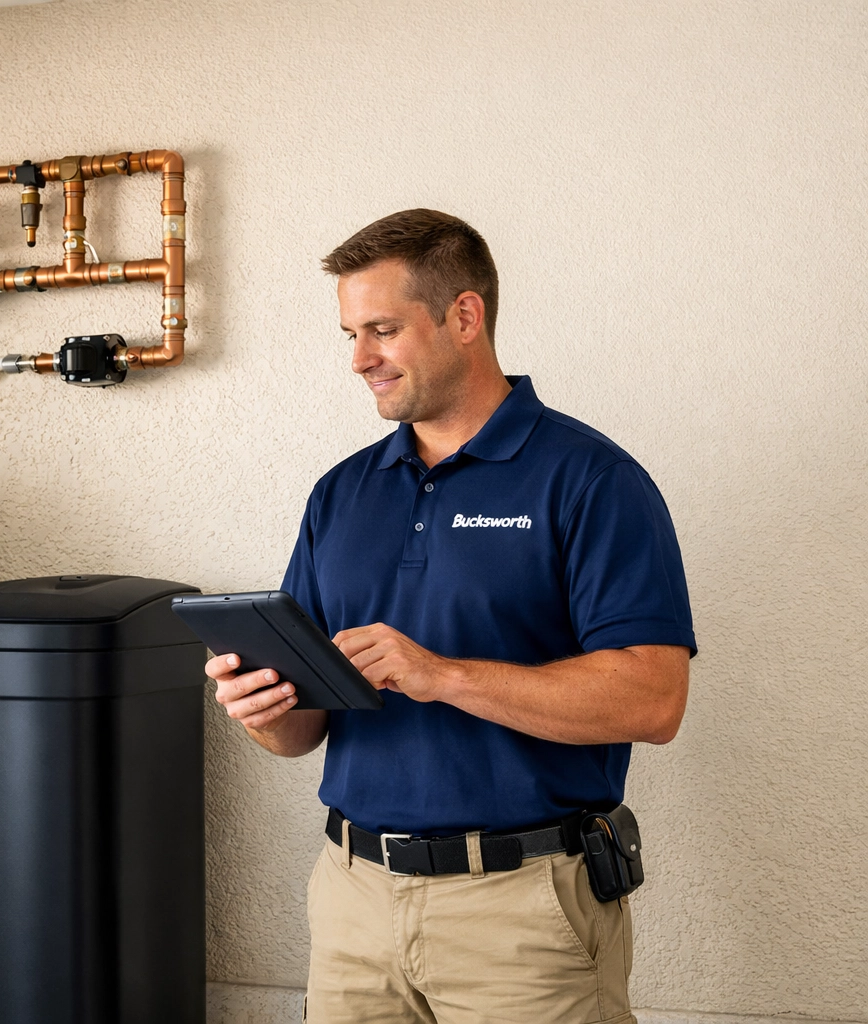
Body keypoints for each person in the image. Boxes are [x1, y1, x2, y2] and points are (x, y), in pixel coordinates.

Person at [207, 209, 695, 1024]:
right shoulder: (341, 494)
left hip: (523, 911)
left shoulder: (590, 480)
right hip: (354, 901)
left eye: (383, 329)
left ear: (464, 317)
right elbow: (302, 732)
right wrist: (261, 711)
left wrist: (441, 675)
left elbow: (654, 700)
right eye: (350, 334)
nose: (360, 359)